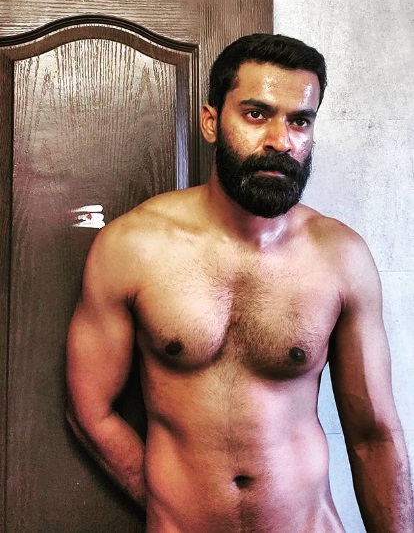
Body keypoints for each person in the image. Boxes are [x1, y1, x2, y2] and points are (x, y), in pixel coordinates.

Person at [66, 34, 414, 532]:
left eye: (300, 121)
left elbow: (373, 435)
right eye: (256, 114)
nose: (281, 140)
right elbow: (90, 411)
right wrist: (173, 505)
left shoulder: (341, 257)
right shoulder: (132, 246)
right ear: (211, 121)